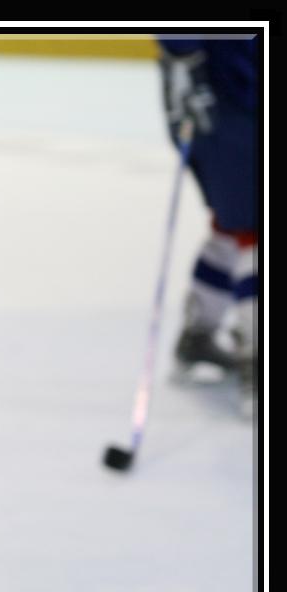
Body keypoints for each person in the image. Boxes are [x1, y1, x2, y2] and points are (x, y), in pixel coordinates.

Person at [157, 36, 258, 416]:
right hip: (226, 90)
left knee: (233, 223)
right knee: (253, 226)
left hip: (226, 88)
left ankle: (198, 336)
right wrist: (184, 57)